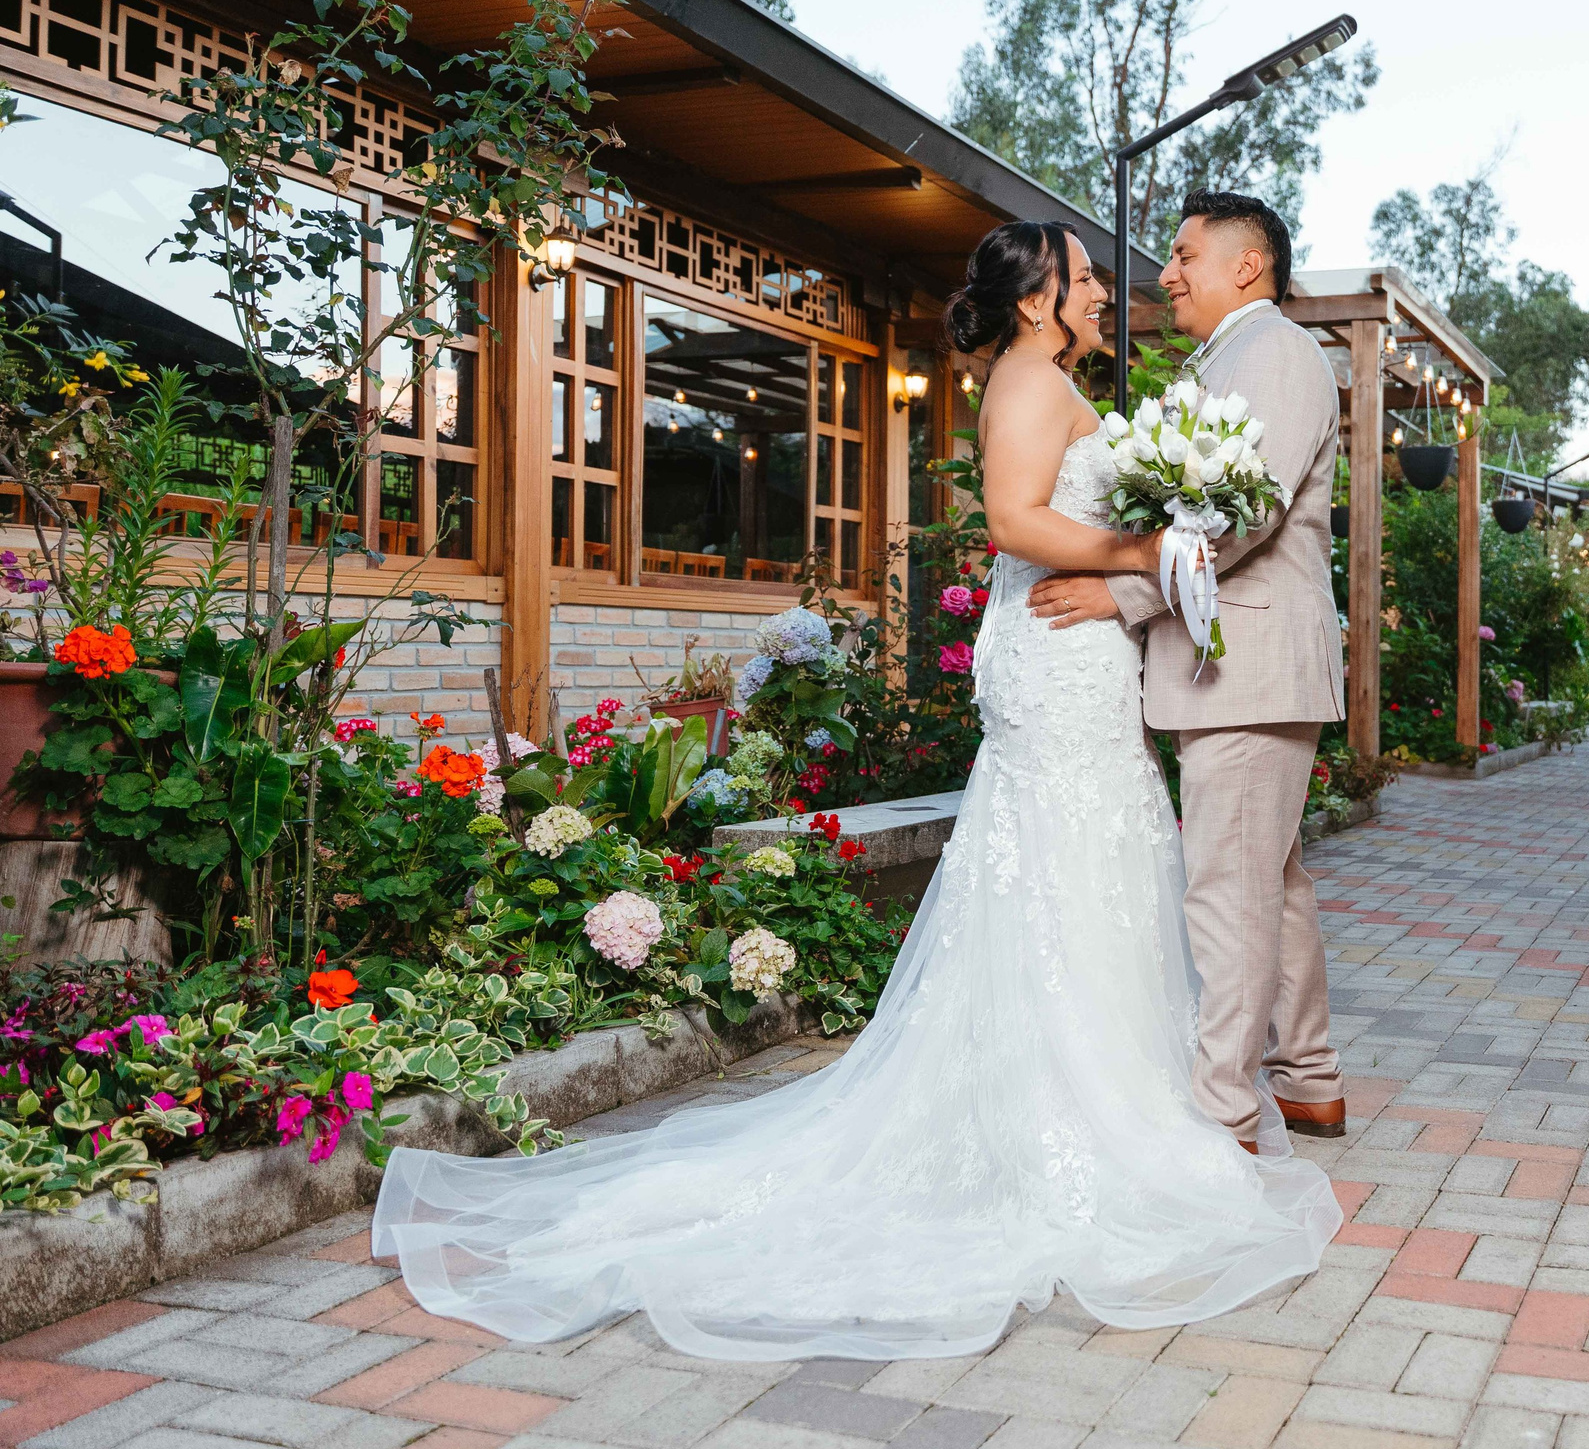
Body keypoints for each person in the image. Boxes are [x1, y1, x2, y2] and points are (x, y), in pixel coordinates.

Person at [368, 220, 1340, 1361]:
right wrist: (1137, 561)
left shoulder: (1161, 366)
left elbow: (1207, 517)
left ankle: (1159, 1088)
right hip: (1062, 660)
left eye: (1135, 267)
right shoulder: (1033, 383)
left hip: (1092, 662)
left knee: (1122, 874)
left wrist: (1136, 564)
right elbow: (1017, 523)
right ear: (1035, 300)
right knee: (1099, 871)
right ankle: (1113, 1107)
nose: (1110, 289)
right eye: (1081, 277)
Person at [1028, 189, 1348, 1151]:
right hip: (1234, 666)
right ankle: (1310, 1079)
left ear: (1246, 266)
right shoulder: (1231, 357)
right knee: (1269, 882)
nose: (1163, 274)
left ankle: (1223, 1113)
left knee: (1227, 890)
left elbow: (1238, 516)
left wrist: (1117, 594)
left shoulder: (1278, 355)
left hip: (1248, 664)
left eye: (1182, 254)